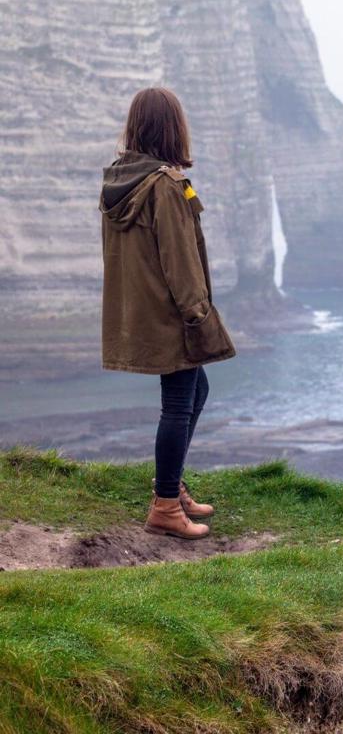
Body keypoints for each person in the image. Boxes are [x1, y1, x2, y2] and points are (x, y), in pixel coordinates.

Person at [99, 87, 237, 539]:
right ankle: (164, 507)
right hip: (174, 313)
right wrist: (198, 315)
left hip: (141, 311)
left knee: (196, 391)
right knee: (179, 403)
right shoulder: (164, 186)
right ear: (173, 128)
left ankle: (171, 486)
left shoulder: (120, 180)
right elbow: (181, 261)